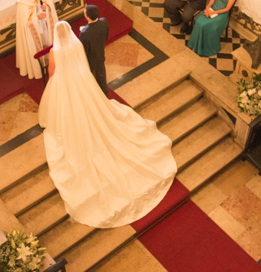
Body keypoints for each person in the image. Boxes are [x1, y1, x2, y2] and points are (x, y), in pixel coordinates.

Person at [38, 22, 177, 228]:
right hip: (81, 80)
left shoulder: (54, 51)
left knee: (68, 112)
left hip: (65, 84)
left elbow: (52, 72)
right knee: (93, 108)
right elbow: (82, 64)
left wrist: (54, 84)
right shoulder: (76, 44)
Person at [16, 0, 59, 79]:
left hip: (46, 25)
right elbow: (25, 22)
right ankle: (39, 66)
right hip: (34, 31)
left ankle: (52, 60)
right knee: (38, 45)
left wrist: (46, 8)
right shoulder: (22, 2)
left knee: (48, 41)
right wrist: (37, 17)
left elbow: (50, 7)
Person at [79, 4, 110, 97]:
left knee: (92, 78)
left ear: (87, 17)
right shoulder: (104, 22)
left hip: (91, 60)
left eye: (84, 13)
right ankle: (105, 94)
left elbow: (84, 51)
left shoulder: (84, 33)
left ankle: (94, 96)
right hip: (100, 55)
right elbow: (106, 37)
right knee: (102, 76)